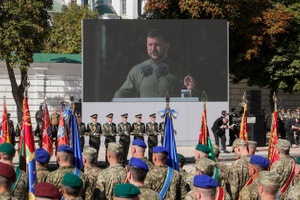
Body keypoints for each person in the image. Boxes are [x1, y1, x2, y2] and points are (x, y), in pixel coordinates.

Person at [114, 29, 196, 98]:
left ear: (167, 46)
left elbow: (194, 99)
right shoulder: (136, 71)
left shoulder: (180, 71)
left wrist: (191, 89)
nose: (153, 49)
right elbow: (121, 94)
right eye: (150, 45)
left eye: (157, 45)